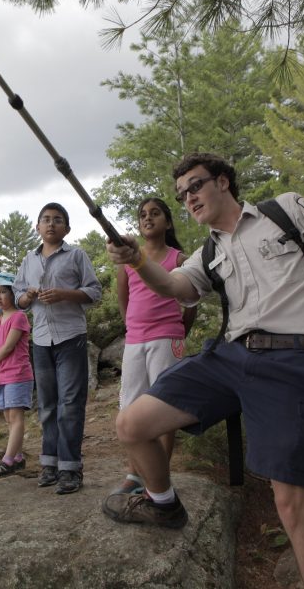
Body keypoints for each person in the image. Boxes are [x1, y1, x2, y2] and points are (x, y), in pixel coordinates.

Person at [102, 153, 304, 589]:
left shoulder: (287, 211)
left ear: (223, 182)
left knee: (292, 505)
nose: (188, 198)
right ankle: (163, 503)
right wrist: (135, 260)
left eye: (195, 186)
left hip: (296, 362)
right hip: (230, 358)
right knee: (132, 423)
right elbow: (172, 286)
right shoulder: (207, 253)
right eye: (181, 194)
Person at [13, 203, 102, 495]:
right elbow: (17, 296)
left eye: (58, 220)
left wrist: (65, 294)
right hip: (40, 339)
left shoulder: (76, 255)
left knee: (70, 404)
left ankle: (71, 468)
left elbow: (95, 292)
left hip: (70, 337)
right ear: (37, 227)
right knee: (48, 405)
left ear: (67, 228)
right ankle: (49, 464)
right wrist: (26, 297)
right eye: (46, 220)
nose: (51, 224)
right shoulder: (28, 260)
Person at [112, 197, 197, 495]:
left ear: (168, 222)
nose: (148, 218)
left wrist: (179, 331)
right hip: (135, 340)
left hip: (167, 339)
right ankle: (135, 474)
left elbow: (190, 302)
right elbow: (123, 296)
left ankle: (159, 479)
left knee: (163, 407)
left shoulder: (179, 259)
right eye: (143, 215)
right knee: (131, 408)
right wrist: (131, 325)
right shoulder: (127, 261)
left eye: (156, 213)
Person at [0, 271, 33, 476]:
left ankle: (8, 460)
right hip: (2, 375)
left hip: (18, 374)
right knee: (8, 418)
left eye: (3, 291)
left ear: (13, 292)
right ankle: (18, 457)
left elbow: (8, 348)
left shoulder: (19, 317)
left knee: (15, 416)